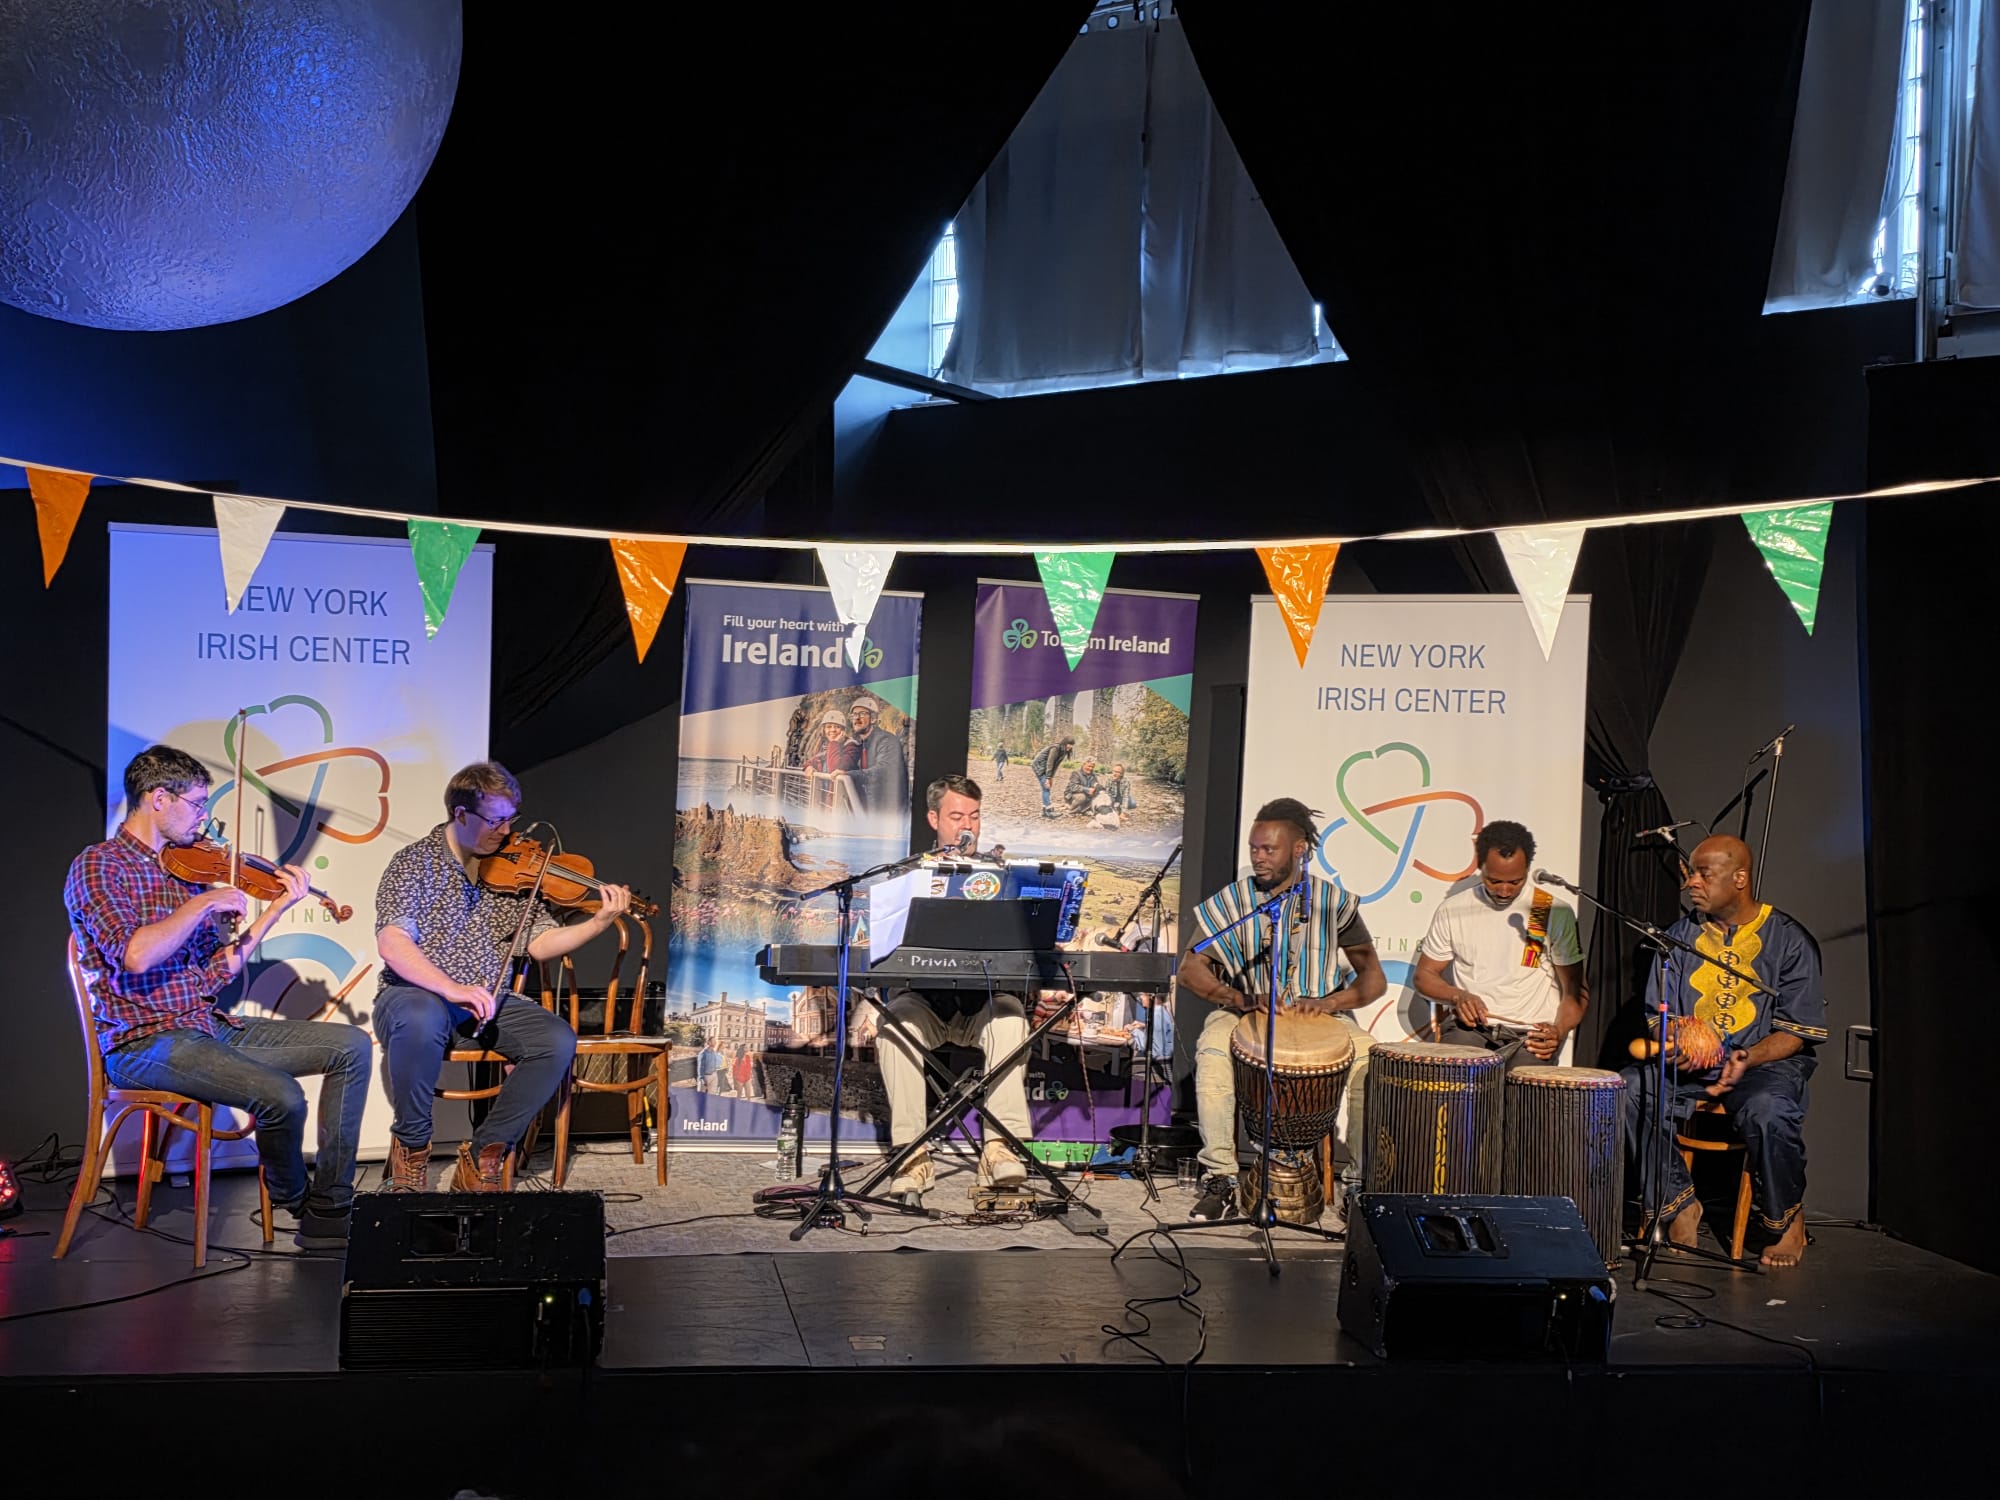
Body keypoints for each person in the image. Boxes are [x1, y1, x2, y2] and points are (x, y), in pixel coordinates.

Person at [63, 745, 371, 1248]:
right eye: (197, 804)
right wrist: (204, 903)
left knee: (351, 1046)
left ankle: (331, 1204)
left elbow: (217, 972)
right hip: (143, 1042)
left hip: (205, 1025)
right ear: (159, 798)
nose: (203, 817)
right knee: (281, 1095)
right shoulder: (100, 865)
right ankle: (300, 1204)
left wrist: (275, 909)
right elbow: (135, 955)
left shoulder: (187, 871)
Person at [373, 761, 630, 1192]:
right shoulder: (414, 863)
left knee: (555, 1040)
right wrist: (452, 988)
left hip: (489, 1001)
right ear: (460, 814)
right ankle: (412, 1149)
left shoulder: (512, 871)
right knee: (419, 1016)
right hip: (415, 996)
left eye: (511, 818)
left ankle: (484, 1157)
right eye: (495, 821)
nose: (506, 831)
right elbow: (392, 942)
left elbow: (539, 943)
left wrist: (599, 922)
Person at [1176, 798, 1386, 1222]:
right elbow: (1190, 969)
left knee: (1371, 1063)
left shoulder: (1332, 902)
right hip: (1244, 1010)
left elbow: (1373, 979)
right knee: (1212, 1053)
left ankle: (1359, 1187)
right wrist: (1235, 997)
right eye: (1254, 848)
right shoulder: (1234, 902)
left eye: (1269, 849)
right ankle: (1221, 1178)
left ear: (1299, 849)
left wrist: (1331, 1002)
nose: (1258, 857)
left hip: (1322, 1016)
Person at [1621, 835, 1824, 1268]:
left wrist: (1746, 1058)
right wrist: (1680, 1043)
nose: (1691, 883)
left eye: (1703, 874)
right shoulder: (1677, 939)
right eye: (1690, 874)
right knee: (1627, 1089)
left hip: (1764, 1065)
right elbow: (1659, 1017)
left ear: (1739, 879)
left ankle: (1785, 1219)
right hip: (1695, 1068)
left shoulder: (1789, 940)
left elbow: (1796, 1032)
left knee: (1769, 1110)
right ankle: (1678, 1202)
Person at [876, 775, 1033, 1197]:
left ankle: (999, 1149)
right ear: (934, 819)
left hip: (982, 1003)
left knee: (1011, 1021)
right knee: (895, 1025)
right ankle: (912, 1155)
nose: (968, 825)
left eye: (975, 816)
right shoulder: (908, 873)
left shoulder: (1001, 874)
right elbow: (881, 944)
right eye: (957, 816)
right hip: (923, 1002)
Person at [1414, 820, 1587, 1068]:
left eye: (1515, 882)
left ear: (1528, 869)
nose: (1504, 891)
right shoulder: (1453, 909)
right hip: (1470, 1030)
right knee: (1452, 1084)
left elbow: (1575, 991)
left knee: (1526, 1089)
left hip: (1530, 1036)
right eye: (1494, 881)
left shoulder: (1550, 910)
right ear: (1480, 866)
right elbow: (1424, 975)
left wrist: (1558, 1031)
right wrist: (1457, 996)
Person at [845, 695, 907, 815]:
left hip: (889, 814)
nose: (856, 718)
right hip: (871, 811)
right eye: (854, 715)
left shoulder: (887, 740)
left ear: (873, 718)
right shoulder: (862, 744)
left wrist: (849, 775)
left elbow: (883, 771)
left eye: (862, 714)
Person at [1030, 735, 1075, 818]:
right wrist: (1047, 778)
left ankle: (1044, 810)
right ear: (1064, 743)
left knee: (1047, 787)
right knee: (1046, 788)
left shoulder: (1064, 751)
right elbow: (1050, 763)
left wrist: (1051, 777)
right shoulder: (1055, 748)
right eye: (1069, 744)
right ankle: (1049, 810)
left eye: (1072, 744)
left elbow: (1056, 765)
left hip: (1046, 769)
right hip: (1039, 766)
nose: (1070, 746)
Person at [805, 709, 859, 776]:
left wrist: (834, 743)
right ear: (824, 730)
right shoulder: (826, 747)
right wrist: (809, 767)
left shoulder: (851, 747)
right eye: (829, 727)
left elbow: (834, 770)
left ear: (843, 730)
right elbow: (809, 762)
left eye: (837, 727)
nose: (833, 730)